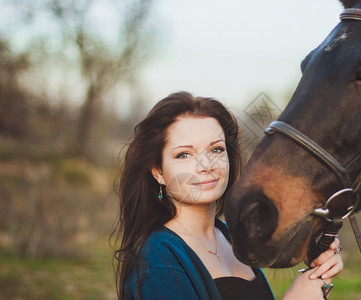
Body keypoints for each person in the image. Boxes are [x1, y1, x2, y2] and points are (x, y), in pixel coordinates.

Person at [112, 91, 343, 300]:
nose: (206, 165)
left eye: (216, 149)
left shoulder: (230, 236)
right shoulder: (157, 259)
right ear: (158, 172)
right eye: (184, 154)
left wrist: (316, 271)